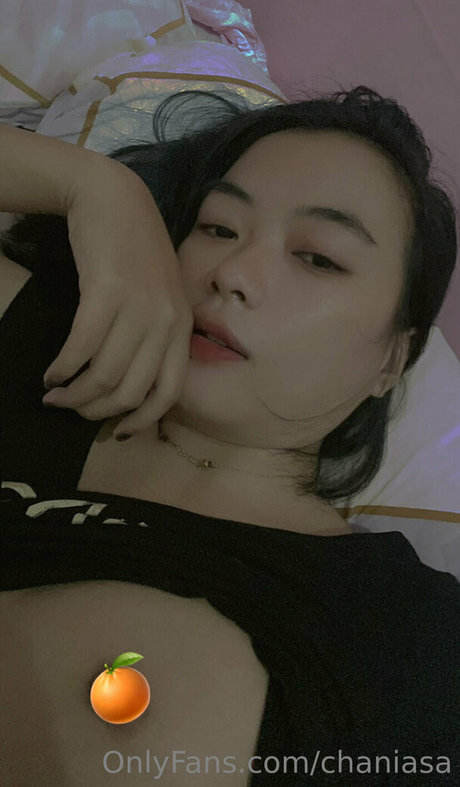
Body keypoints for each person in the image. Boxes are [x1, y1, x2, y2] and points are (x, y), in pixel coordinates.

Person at [0, 87, 458, 785]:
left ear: (392, 359)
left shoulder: (403, 637)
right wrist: (95, 187)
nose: (231, 274)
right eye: (216, 227)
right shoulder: (48, 351)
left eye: (319, 258)